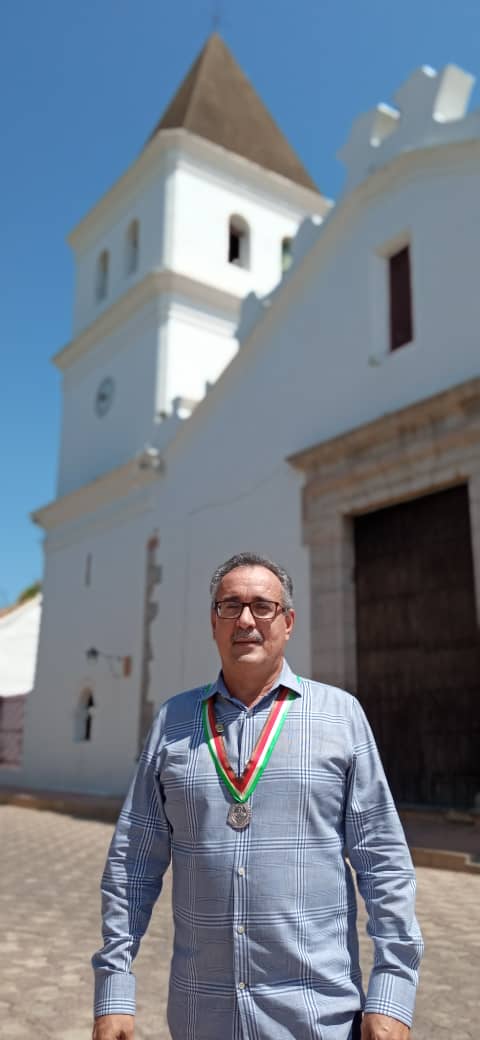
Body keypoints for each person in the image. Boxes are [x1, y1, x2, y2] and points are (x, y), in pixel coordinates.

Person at [92, 551, 423, 1040]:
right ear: (213, 622)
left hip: (317, 1018)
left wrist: (393, 993)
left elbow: (384, 863)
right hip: (202, 1016)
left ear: (288, 622)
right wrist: (114, 991)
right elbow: (132, 865)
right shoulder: (173, 722)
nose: (246, 619)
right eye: (230, 605)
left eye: (262, 606)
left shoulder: (341, 716)